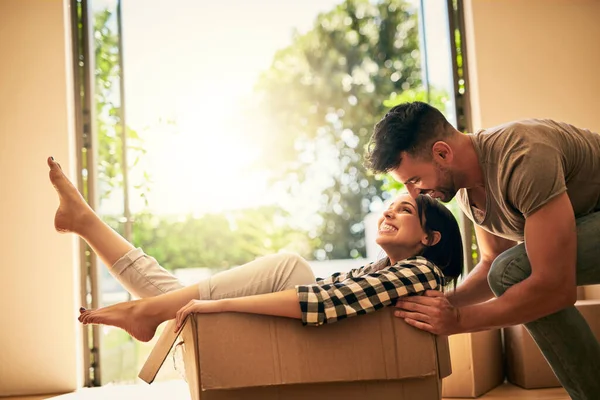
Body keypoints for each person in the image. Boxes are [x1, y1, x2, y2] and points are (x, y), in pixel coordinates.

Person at [47, 156, 462, 342]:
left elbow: (321, 301)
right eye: (388, 208)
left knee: (288, 266)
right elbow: (331, 289)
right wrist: (210, 303)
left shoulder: (422, 273)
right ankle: (87, 225)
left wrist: (218, 306)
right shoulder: (381, 269)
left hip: (317, 340)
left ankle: (142, 308)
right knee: (172, 294)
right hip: (314, 333)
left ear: (430, 238)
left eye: (404, 210)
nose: (387, 215)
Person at [365, 101, 600, 399]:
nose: (413, 193)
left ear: (441, 153)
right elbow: (490, 263)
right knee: (504, 269)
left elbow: (556, 287)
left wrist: (458, 321)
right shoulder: (467, 194)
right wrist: (441, 304)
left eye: (414, 180)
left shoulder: (522, 157)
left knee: (512, 272)